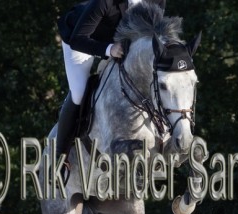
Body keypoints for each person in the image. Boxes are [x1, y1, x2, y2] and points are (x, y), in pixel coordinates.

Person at [55, 0, 167, 180]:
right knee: (78, 92)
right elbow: (78, 39)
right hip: (82, 39)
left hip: (120, 43)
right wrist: (109, 49)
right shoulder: (105, 2)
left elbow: (153, 35)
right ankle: (59, 159)